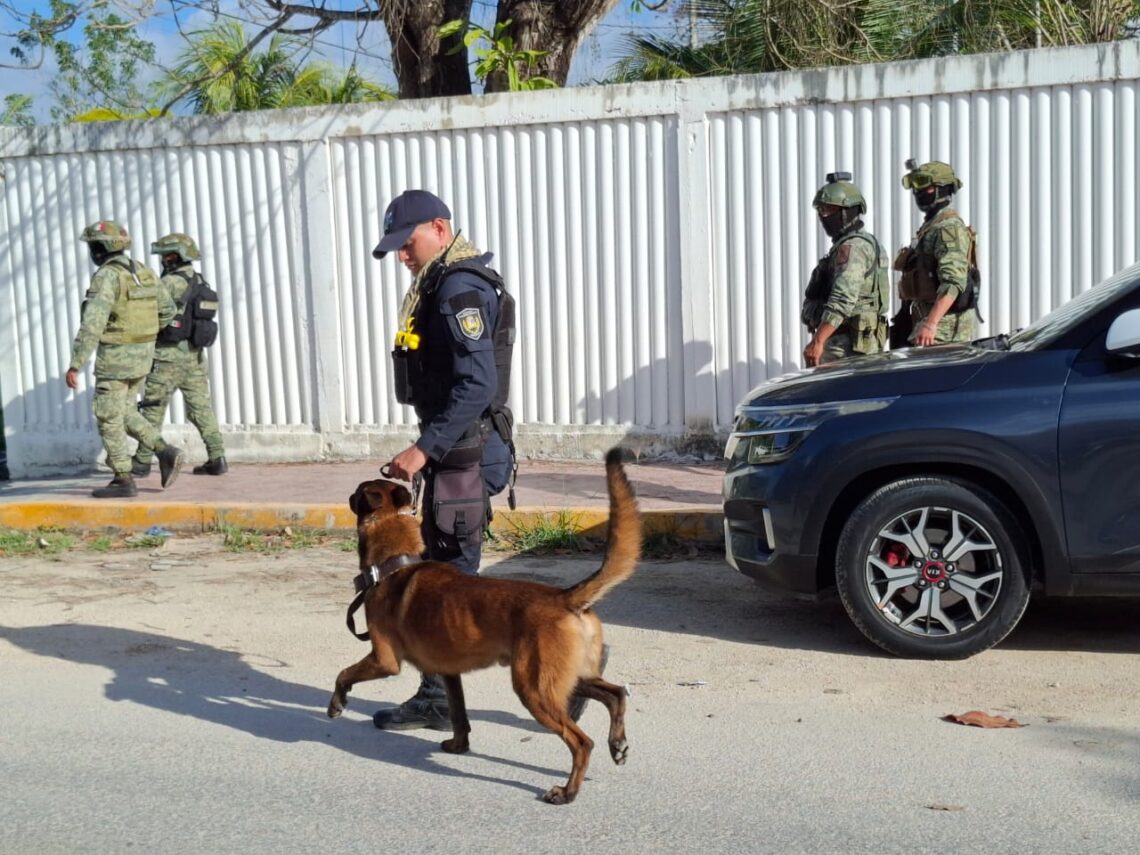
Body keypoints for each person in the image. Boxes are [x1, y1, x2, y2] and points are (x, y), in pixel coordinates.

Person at [370, 189, 516, 731]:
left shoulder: (458, 287)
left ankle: (573, 666)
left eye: (408, 244)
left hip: (464, 453)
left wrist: (423, 448)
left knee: (448, 586)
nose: (403, 256)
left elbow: (477, 384)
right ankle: (437, 696)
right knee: (448, 580)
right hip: (456, 450)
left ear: (438, 227)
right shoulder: (440, 280)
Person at [65, 220, 185, 498]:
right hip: (142, 358)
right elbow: (168, 310)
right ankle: (165, 451)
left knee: (108, 416)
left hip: (115, 360)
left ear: (100, 249)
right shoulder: (143, 271)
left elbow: (92, 323)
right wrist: (144, 336)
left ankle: (123, 479)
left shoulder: (107, 276)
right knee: (126, 412)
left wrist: (76, 363)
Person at [132, 233, 227, 478]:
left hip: (167, 357)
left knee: (153, 408)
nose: (162, 260)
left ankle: (142, 461)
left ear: (173, 257)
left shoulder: (170, 282)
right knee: (201, 409)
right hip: (195, 357)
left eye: (165, 256)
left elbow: (145, 311)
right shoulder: (199, 281)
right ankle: (217, 457)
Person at [801, 172, 889, 367]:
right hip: (854, 343)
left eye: (829, 210)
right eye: (821, 210)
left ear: (848, 211)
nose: (823, 216)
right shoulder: (864, 243)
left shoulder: (853, 247)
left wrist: (818, 341)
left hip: (844, 347)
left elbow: (842, 299)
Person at [894, 159, 981, 346]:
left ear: (943, 189)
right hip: (928, 320)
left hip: (944, 327)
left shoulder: (948, 228)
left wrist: (931, 324)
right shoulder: (931, 226)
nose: (918, 192)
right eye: (916, 187)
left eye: (926, 187)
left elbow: (953, 282)